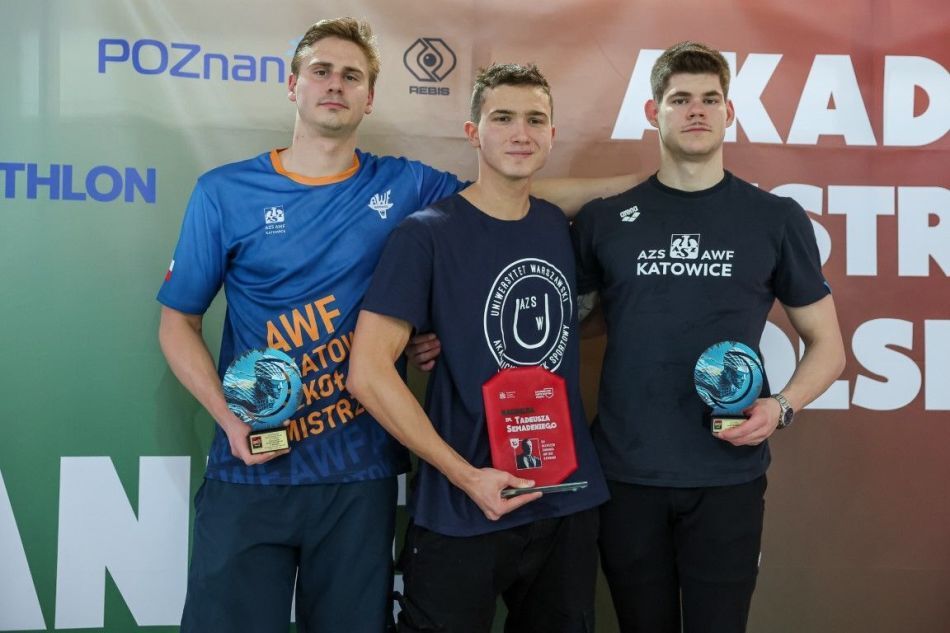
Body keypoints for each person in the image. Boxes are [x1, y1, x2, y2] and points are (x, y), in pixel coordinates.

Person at [157, 17, 641, 633]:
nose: (336, 84)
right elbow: (178, 322)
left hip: (360, 472)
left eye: (352, 75)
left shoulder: (406, 185)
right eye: (321, 71)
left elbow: (508, 194)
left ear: (370, 97)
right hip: (253, 464)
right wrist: (229, 420)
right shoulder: (224, 191)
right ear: (293, 85)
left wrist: (647, 187)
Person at [570, 42, 846, 633]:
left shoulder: (774, 218)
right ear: (653, 113)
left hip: (728, 472)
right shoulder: (604, 220)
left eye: (709, 99)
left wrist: (781, 406)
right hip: (626, 471)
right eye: (679, 100)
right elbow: (570, 323)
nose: (696, 110)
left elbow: (828, 345)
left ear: (729, 112)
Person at [347, 63, 609, 633]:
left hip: (564, 497)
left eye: (535, 120)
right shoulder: (426, 233)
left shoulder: (559, 228)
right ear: (473, 133)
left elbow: (579, 323)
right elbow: (367, 373)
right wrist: (465, 476)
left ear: (552, 134)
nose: (521, 133)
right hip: (462, 505)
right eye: (503, 118)